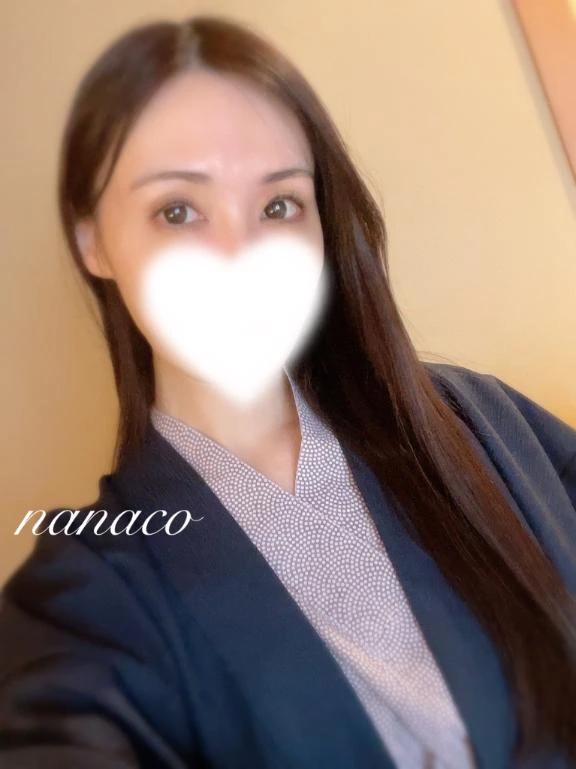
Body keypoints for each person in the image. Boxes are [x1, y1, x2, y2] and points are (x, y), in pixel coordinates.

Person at [1, 14, 575, 769]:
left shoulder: (485, 426)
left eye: (279, 206)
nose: (240, 256)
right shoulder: (82, 599)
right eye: (177, 210)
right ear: (92, 241)